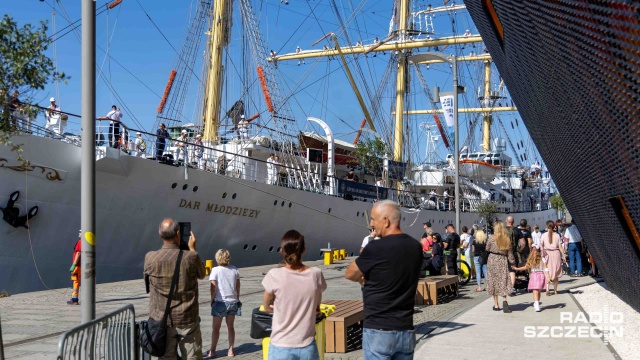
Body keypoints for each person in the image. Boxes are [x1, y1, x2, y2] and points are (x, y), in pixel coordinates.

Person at [345, 200, 422, 359]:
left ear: (386, 221)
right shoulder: (415, 247)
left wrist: (364, 278)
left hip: (378, 329)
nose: (371, 223)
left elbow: (350, 273)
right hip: (405, 330)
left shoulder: (375, 247)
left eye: (373, 219)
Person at [144, 219, 207, 360]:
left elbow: (148, 284)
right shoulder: (191, 257)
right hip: (187, 318)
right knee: (192, 357)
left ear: (159, 234)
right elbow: (202, 274)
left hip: (162, 320)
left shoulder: (150, 258)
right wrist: (192, 248)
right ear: (178, 233)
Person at [262, 230, 327, 359]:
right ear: (304, 250)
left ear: (281, 250)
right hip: (307, 346)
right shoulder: (316, 274)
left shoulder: (274, 275)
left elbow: (266, 307)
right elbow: (317, 307)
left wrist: (279, 309)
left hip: (280, 346)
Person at [205, 249, 240, 358]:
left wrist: (212, 299)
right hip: (233, 302)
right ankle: (230, 350)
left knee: (216, 328)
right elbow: (238, 285)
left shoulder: (215, 270)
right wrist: (237, 298)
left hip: (220, 302)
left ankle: (213, 351)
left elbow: (213, 287)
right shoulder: (234, 269)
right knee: (230, 327)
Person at [486, 222, 516, 313]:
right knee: (503, 280)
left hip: (492, 259)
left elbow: (487, 248)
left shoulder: (491, 238)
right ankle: (505, 300)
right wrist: (512, 262)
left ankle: (496, 305)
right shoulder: (506, 239)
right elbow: (510, 253)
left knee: (493, 281)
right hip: (502, 260)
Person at [513, 247, 546, 312]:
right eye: (533, 251)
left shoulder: (542, 259)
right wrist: (517, 269)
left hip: (541, 275)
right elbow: (526, 267)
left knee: (538, 291)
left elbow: (546, 267)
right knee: (535, 290)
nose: (535, 252)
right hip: (534, 275)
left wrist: (547, 276)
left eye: (536, 251)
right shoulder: (531, 259)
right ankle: (536, 304)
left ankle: (536, 302)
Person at [541, 221, 566, 296]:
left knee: (547, 272)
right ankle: (555, 290)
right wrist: (563, 255)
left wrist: (542, 254)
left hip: (547, 254)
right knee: (556, 272)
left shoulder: (543, 235)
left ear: (547, 226)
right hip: (556, 254)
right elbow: (560, 246)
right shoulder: (557, 235)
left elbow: (541, 245)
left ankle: (547, 289)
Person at [505, 216, 519, 295]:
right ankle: (511, 289)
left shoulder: (502, 231)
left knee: (504, 271)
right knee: (512, 271)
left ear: (506, 221)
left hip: (502, 253)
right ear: (513, 222)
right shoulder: (516, 230)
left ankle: (505, 288)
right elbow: (523, 243)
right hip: (513, 253)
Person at [68, 230, 82, 305]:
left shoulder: (80, 242)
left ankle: (74, 299)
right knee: (77, 281)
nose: (79, 233)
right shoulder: (86, 242)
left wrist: (74, 265)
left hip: (77, 266)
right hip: (81, 265)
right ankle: (74, 298)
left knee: (75, 281)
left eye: (80, 232)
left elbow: (78, 253)